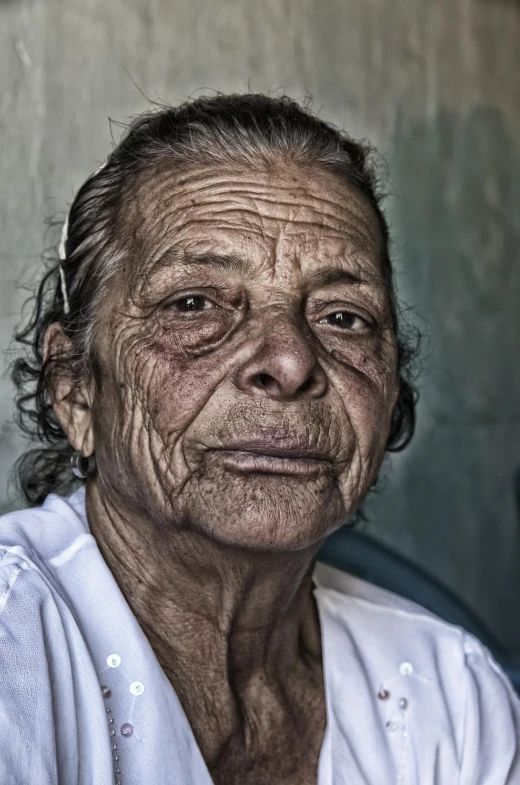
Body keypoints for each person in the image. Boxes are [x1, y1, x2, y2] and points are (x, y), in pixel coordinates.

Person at [2, 93, 519, 785]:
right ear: (76, 389)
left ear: (390, 389)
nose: (291, 360)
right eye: (195, 305)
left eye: (343, 316)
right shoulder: (16, 645)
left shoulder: (451, 697)